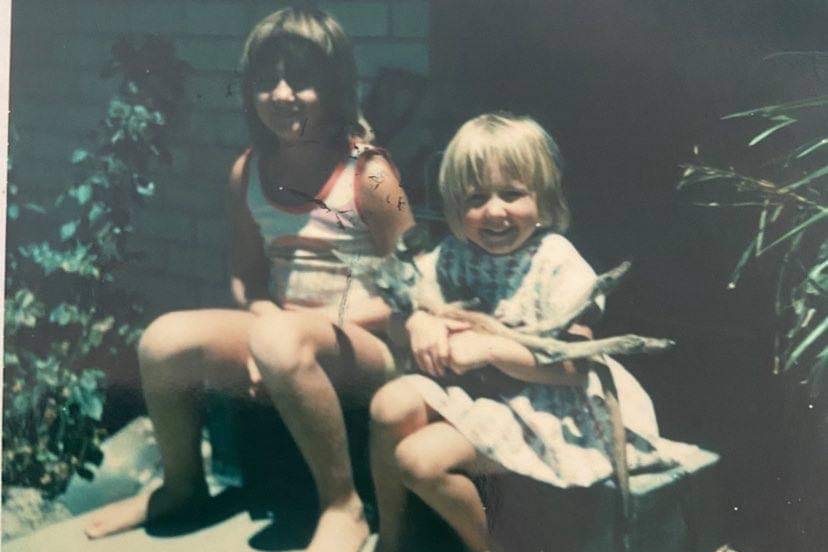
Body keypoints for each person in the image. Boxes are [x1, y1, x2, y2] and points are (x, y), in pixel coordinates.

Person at [84, 7, 413, 552]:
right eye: (267, 81)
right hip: (282, 335)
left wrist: (289, 336)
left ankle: (343, 505)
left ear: (336, 86)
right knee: (164, 340)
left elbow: (415, 287)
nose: (282, 95)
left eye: (302, 80)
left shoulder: (371, 172)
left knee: (281, 340)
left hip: (367, 345)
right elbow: (246, 278)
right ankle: (183, 484)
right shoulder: (248, 169)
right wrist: (268, 329)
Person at [369, 113, 681, 552]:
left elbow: (575, 366)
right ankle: (394, 538)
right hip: (479, 396)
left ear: (544, 198)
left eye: (512, 194)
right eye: (476, 198)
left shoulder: (555, 261)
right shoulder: (453, 255)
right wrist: (419, 322)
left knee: (418, 460)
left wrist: (489, 349)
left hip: (547, 411)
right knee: (388, 405)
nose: (494, 211)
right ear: (455, 206)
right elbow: (397, 319)